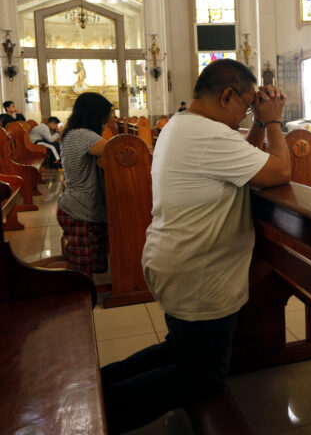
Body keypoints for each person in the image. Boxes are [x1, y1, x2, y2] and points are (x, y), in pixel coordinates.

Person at [100, 58, 291, 434]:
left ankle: (95, 386)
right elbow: (280, 171)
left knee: (179, 351)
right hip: (198, 274)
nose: (248, 112)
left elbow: (248, 162)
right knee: (202, 378)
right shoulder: (209, 136)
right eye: (247, 105)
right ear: (226, 97)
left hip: (175, 261)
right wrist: (272, 121)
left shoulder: (182, 124)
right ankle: (93, 415)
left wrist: (255, 124)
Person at [57, 93, 114, 275]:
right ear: (95, 116)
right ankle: (79, 296)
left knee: (93, 259)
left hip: (80, 207)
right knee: (81, 270)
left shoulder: (75, 132)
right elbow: (119, 150)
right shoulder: (83, 135)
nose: (105, 126)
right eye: (105, 120)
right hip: (81, 210)